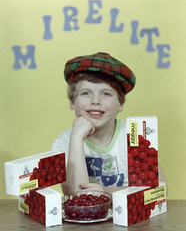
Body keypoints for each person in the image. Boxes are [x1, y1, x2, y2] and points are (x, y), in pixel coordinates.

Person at [51, 52, 167, 196]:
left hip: (130, 216)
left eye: (106, 94)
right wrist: (76, 138)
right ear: (72, 101)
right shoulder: (63, 143)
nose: (95, 101)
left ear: (121, 104)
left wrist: (108, 192)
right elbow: (76, 196)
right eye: (86, 93)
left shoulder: (134, 136)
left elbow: (159, 190)